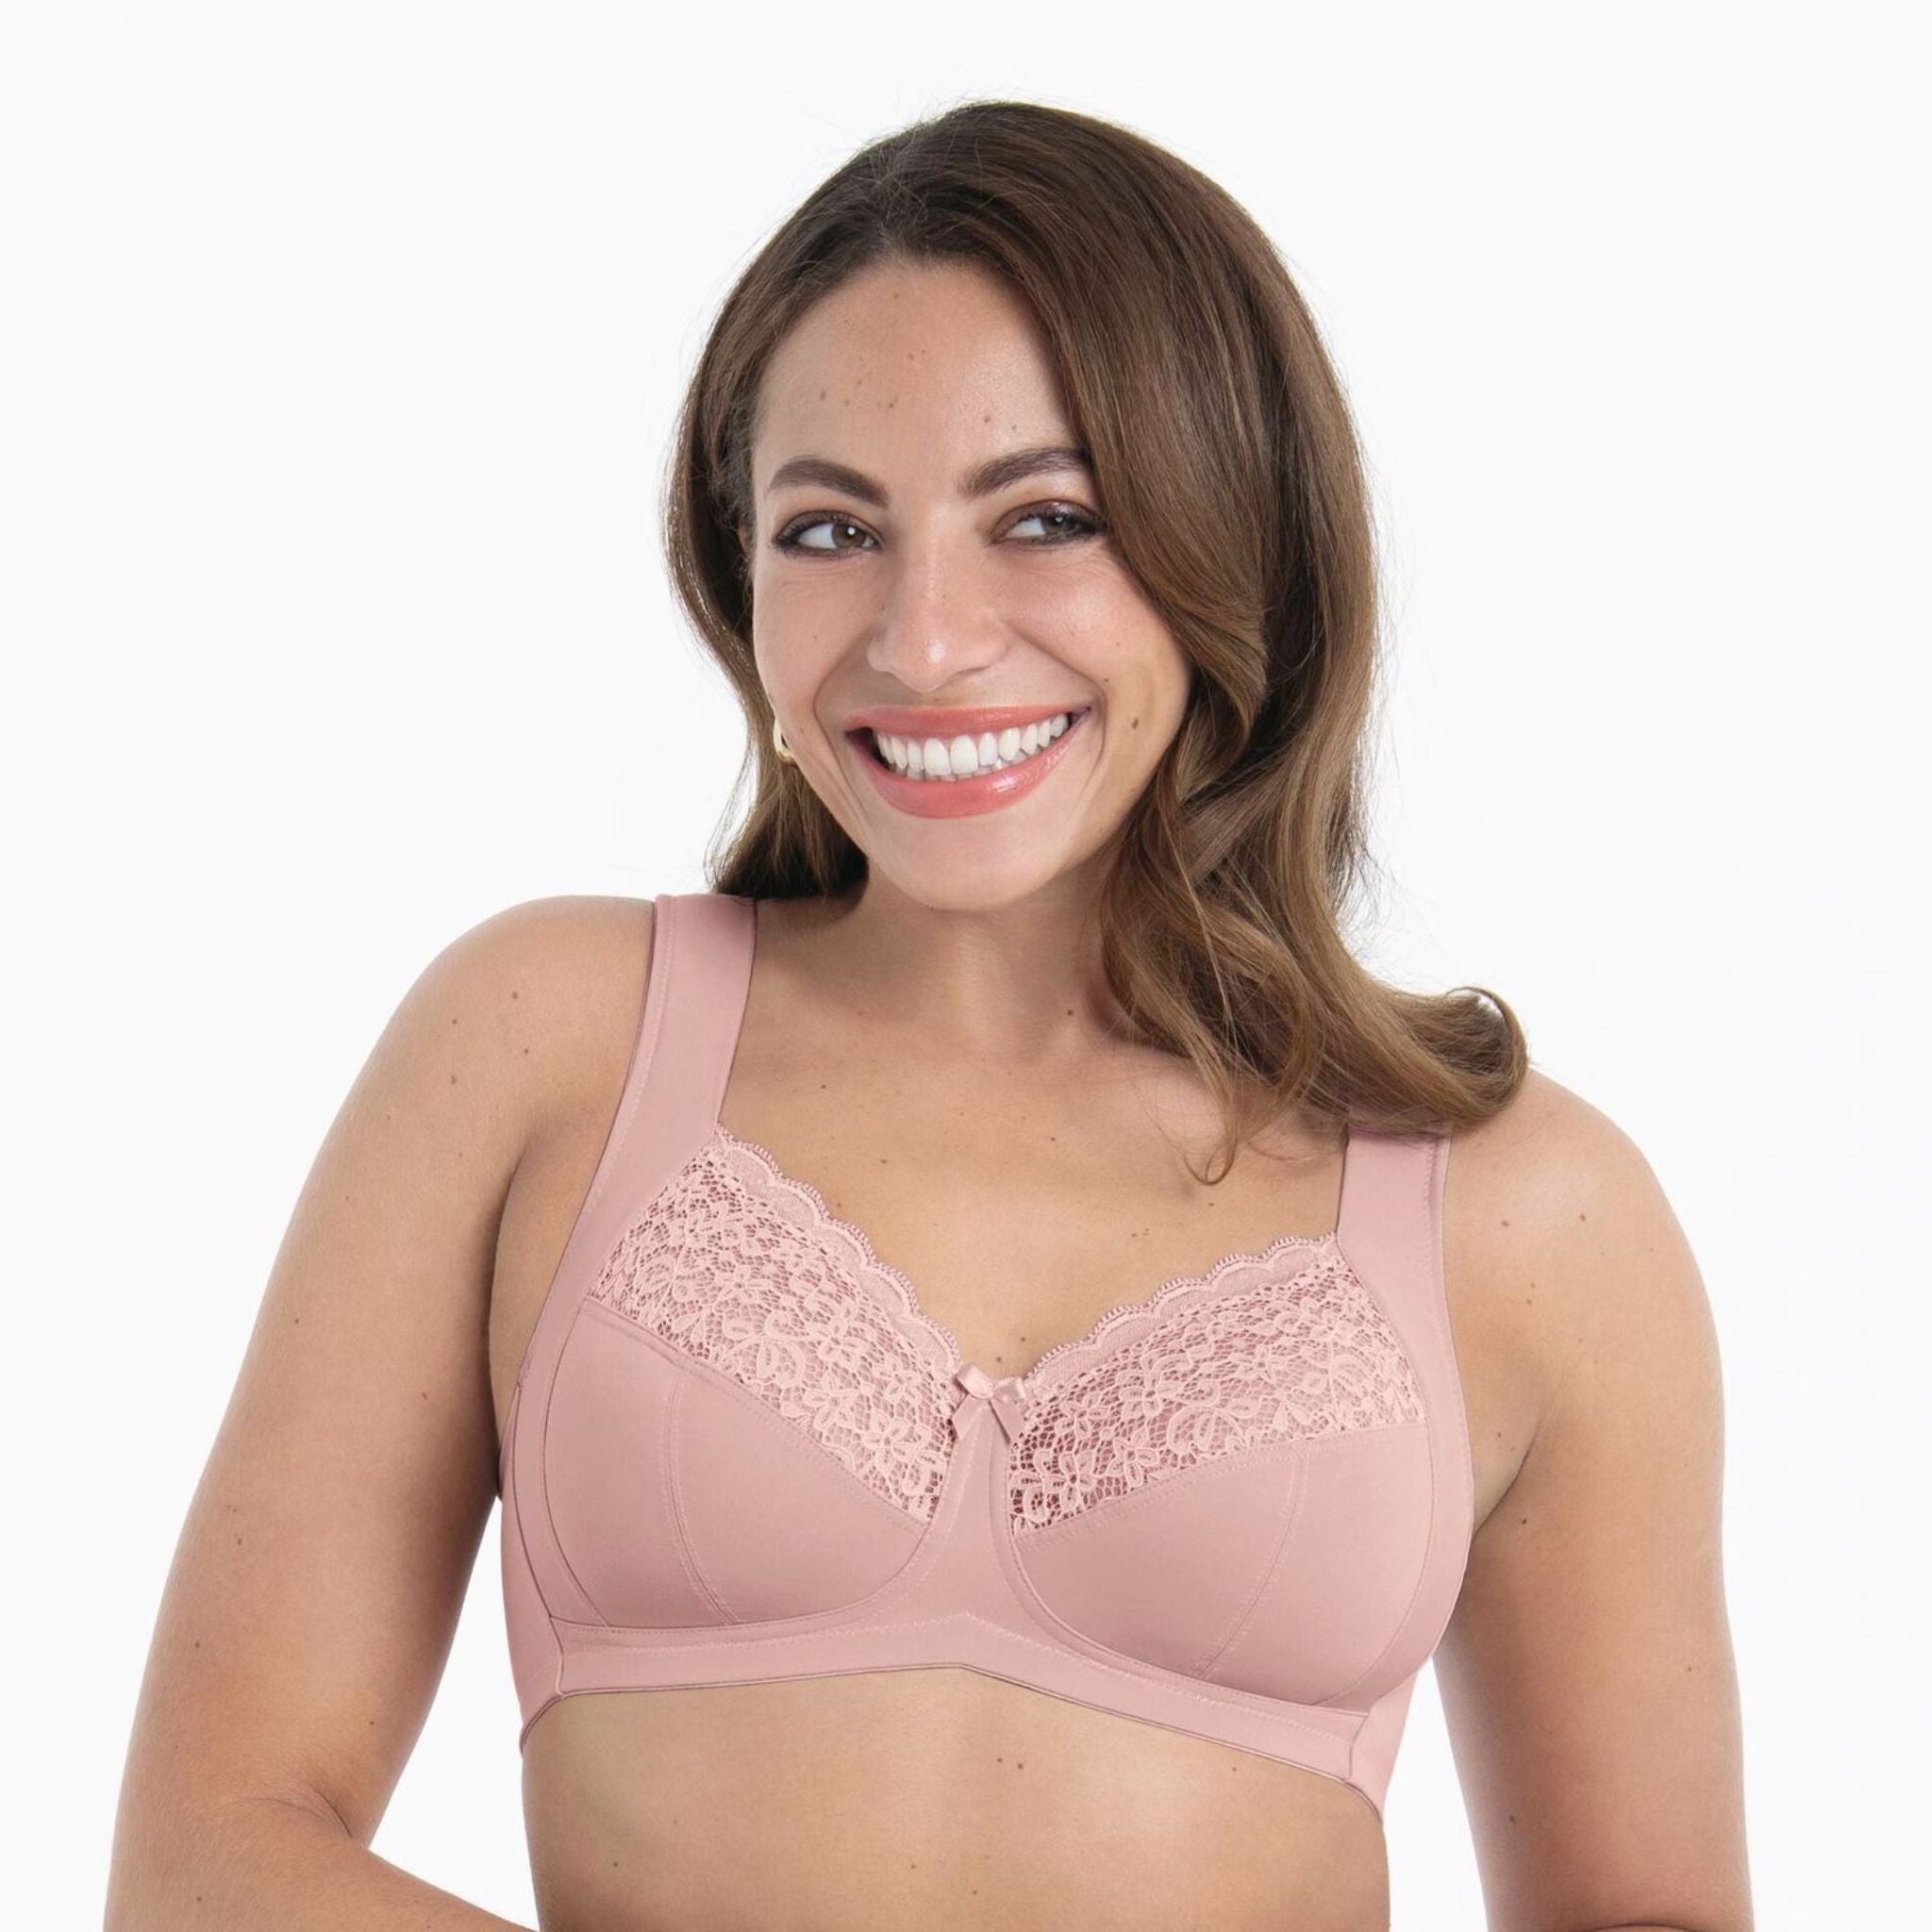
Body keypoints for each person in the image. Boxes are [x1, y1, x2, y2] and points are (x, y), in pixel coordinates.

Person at [106, 98, 1753, 1932]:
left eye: (1046, 518)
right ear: (735, 579)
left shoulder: (1527, 1212)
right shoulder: (547, 1046)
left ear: (1242, 537)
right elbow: (203, 1860)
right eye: (831, 530)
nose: (925, 640)